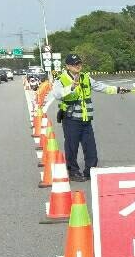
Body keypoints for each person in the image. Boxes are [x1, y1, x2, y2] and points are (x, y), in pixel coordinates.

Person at [42, 53, 130, 181]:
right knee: (72, 147)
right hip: (71, 119)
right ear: (67, 66)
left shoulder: (85, 77)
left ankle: (90, 170)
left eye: (79, 63)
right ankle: (73, 171)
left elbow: (101, 87)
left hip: (86, 118)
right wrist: (71, 87)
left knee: (90, 147)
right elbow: (56, 94)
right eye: (74, 64)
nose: (77, 66)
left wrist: (118, 89)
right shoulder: (61, 79)